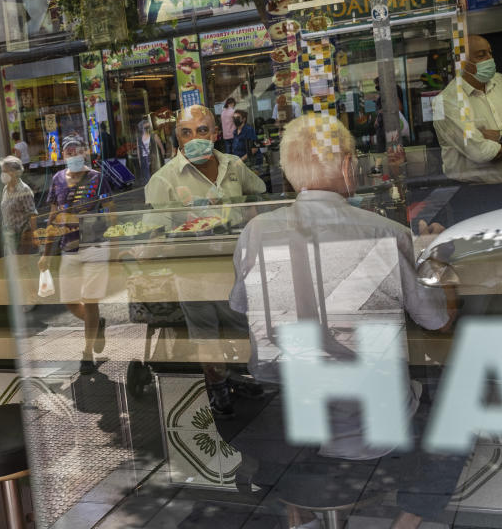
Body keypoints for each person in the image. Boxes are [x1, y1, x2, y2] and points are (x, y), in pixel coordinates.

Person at [228, 114, 462, 528]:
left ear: (287, 172)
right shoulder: (385, 233)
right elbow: (438, 320)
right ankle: (406, 522)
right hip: (373, 436)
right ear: (347, 166)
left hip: (287, 433)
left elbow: (248, 310)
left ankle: (300, 514)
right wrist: (437, 260)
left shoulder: (255, 232)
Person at [145, 105, 266, 418]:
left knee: (241, 326)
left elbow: (258, 194)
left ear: (215, 133)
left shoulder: (233, 167)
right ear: (178, 138)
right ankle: (218, 386)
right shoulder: (164, 180)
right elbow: (153, 233)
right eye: (186, 132)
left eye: (202, 130)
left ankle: (239, 375)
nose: (195, 137)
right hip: (193, 273)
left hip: (237, 269)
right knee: (206, 335)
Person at [38, 136, 111, 374]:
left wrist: (117, 246)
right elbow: (51, 217)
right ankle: (96, 324)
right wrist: (46, 253)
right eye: (68, 152)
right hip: (68, 248)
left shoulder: (98, 179)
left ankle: (87, 353)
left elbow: (111, 212)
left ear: (85, 153)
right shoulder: (58, 180)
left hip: (96, 246)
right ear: (63, 156)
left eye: (76, 151)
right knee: (69, 300)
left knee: (90, 300)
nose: (73, 155)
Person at [433, 34, 502, 184]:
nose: (490, 59)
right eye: (481, 55)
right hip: (474, 192)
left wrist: (500, 135)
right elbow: (482, 153)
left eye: (490, 53)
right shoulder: (447, 102)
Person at [0, 156, 36, 254]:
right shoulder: (5, 189)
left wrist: (33, 236)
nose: (3, 174)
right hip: (9, 238)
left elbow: (32, 214)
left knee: (22, 267)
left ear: (15, 173)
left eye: (6, 171)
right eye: (2, 171)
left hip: (22, 239)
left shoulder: (24, 190)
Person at [136, 117, 165, 183]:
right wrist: (139, 159)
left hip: (152, 157)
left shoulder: (153, 135)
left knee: (154, 172)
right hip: (144, 158)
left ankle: (155, 184)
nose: (145, 129)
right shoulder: (139, 138)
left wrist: (163, 153)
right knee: (146, 175)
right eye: (144, 127)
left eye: (147, 127)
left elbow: (160, 145)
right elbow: (138, 149)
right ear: (141, 128)